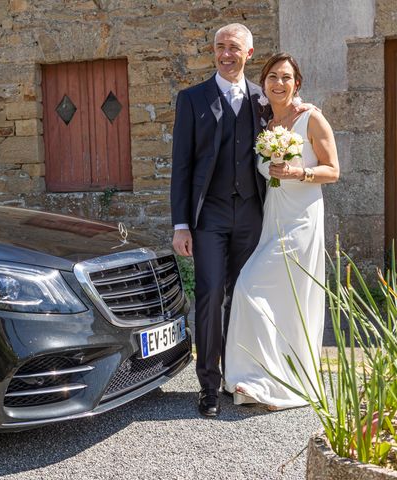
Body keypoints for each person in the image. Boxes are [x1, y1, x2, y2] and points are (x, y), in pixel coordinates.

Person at [223, 53, 339, 409]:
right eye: (273, 76)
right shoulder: (264, 124)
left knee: (250, 287)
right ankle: (258, 379)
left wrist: (300, 173)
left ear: (297, 83)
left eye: (287, 77)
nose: (279, 83)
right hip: (273, 217)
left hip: (302, 218)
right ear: (265, 83)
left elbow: (333, 170)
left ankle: (283, 383)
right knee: (274, 298)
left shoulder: (311, 118)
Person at [170, 23, 268, 417]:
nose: (225, 55)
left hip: (251, 213)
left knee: (243, 297)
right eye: (219, 47)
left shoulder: (263, 100)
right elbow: (182, 165)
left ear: (249, 53)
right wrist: (181, 224)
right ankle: (208, 385)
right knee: (210, 295)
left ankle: (237, 377)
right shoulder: (192, 99)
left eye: (233, 48)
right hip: (208, 216)